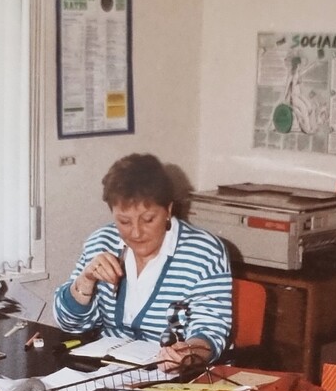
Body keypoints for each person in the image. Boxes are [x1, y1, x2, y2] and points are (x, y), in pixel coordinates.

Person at [52, 153, 233, 371]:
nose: (136, 232)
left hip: (174, 377)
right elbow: (70, 324)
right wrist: (85, 282)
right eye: (124, 221)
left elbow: (210, 333)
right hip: (106, 370)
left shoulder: (204, 251)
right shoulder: (101, 242)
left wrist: (186, 355)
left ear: (168, 210)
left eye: (148, 219)